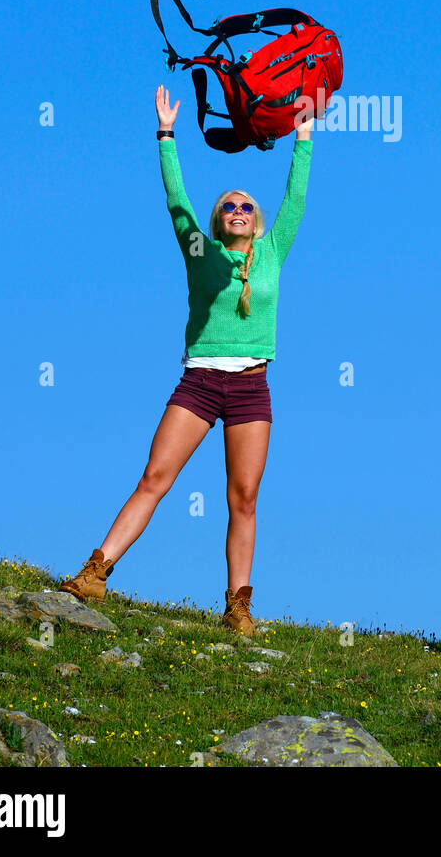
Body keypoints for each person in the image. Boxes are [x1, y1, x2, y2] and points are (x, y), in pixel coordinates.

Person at [58, 84, 314, 636]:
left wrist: (304, 135)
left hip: (251, 387)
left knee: (243, 497)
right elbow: (177, 201)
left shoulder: (272, 252)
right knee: (155, 476)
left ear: (258, 220)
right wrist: (166, 134)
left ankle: (237, 605)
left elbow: (296, 197)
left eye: (247, 206)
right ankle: (95, 573)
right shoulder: (200, 252)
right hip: (199, 382)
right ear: (218, 219)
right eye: (229, 206)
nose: (238, 210)